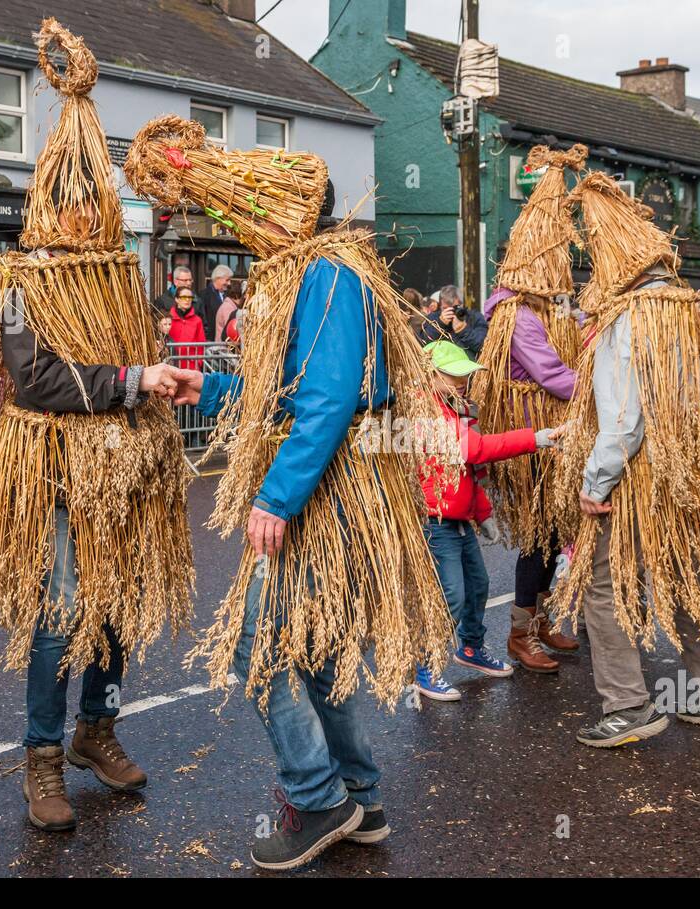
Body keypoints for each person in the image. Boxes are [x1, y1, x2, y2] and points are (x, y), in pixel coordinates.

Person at [125, 113, 455, 870]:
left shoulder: (329, 272)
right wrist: (206, 387)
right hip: (332, 485)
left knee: (259, 645)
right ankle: (361, 801)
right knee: (314, 643)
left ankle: (317, 799)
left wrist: (275, 496)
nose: (234, 227)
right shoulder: (310, 272)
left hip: (330, 492)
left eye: (241, 214)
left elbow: (332, 397)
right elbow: (284, 392)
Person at [0, 20, 200, 834]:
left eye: (101, 196)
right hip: (53, 470)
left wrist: (169, 381)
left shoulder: (125, 278)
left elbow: (147, 354)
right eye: (81, 195)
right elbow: (36, 378)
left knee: (118, 608)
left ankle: (98, 731)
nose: (94, 207)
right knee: (59, 616)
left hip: (120, 469)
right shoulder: (15, 283)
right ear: (53, 197)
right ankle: (42, 758)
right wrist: (134, 380)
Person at [554, 172, 700, 746]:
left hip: (637, 479)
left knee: (605, 588)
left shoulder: (626, 322)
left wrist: (595, 484)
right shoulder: (684, 318)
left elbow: (623, 418)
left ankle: (629, 708)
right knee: (686, 577)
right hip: (692, 473)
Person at [473, 144, 588, 675]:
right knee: (540, 533)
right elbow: (550, 374)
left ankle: (538, 622)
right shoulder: (519, 314)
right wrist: (593, 395)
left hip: (553, 431)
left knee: (551, 530)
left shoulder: (545, 309)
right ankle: (520, 633)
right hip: (533, 435)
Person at [413, 339, 564, 701]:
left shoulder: (453, 408)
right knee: (451, 593)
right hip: (435, 521)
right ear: (431, 375)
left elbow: (468, 470)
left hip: (458, 521)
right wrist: (535, 438)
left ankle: (470, 648)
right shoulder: (424, 412)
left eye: (464, 373)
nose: (462, 380)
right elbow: (473, 449)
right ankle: (425, 666)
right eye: (453, 375)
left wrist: (483, 515)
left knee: (478, 585)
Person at [420, 284, 487, 357]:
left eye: (454, 308)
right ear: (440, 306)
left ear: (461, 304)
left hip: (468, 365)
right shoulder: (433, 318)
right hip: (441, 365)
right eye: (445, 308)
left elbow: (483, 346)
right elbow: (424, 342)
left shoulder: (474, 317)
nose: (450, 312)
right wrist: (440, 324)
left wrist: (464, 330)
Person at [166, 285, 205, 370]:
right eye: (184, 297)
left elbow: (201, 343)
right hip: (172, 364)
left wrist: (199, 362)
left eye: (190, 297)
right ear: (176, 299)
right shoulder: (169, 319)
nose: (187, 300)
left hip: (191, 366)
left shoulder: (197, 320)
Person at [200, 264, 233, 337]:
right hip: (211, 340)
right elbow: (203, 318)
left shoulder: (229, 295)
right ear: (218, 278)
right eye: (227, 280)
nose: (229, 283)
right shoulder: (204, 295)